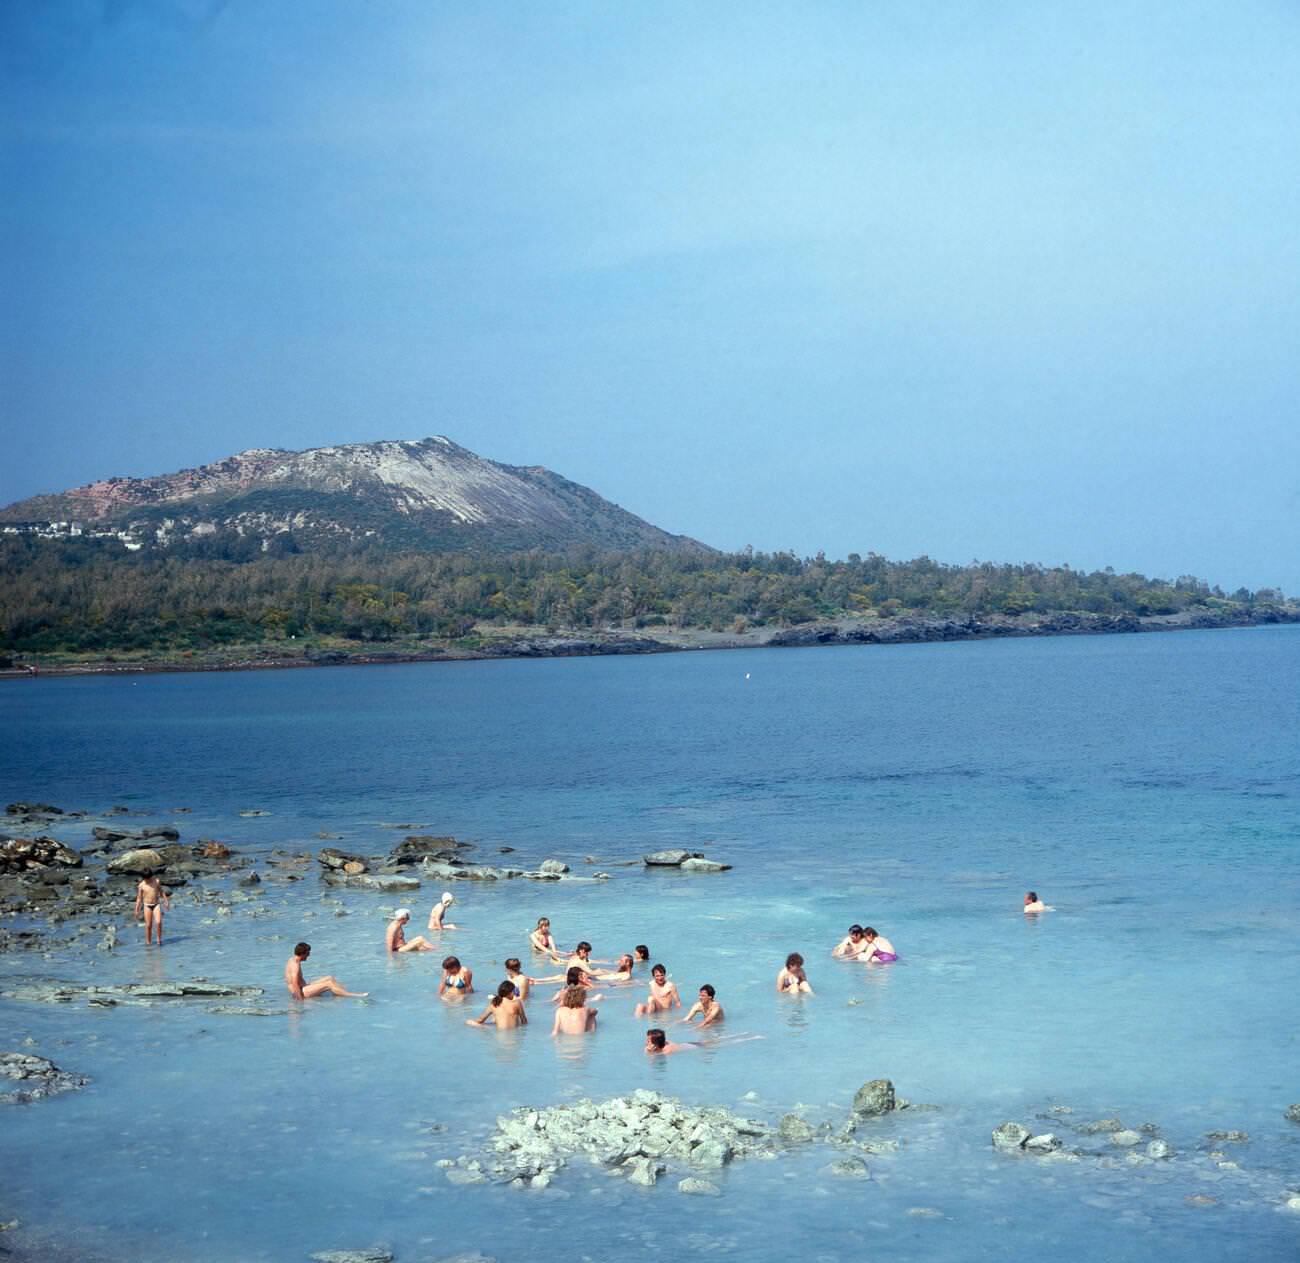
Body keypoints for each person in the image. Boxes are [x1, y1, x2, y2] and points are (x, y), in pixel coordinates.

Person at [284, 943, 367, 999]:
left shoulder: (292, 960)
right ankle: (351, 995)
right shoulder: (295, 965)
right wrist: (300, 1000)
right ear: (302, 954)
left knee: (330, 978)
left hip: (303, 987)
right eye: (308, 953)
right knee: (329, 984)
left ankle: (340, 993)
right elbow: (294, 983)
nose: (309, 955)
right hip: (301, 992)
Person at [134, 873, 170, 946]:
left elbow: (161, 891)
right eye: (146, 880)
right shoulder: (141, 885)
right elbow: (139, 898)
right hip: (147, 905)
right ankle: (148, 942)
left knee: (159, 922)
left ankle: (159, 940)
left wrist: (166, 901)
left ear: (151, 876)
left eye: (149, 879)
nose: (148, 881)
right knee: (148, 925)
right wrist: (136, 910)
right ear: (143, 878)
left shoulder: (156, 881)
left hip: (156, 904)